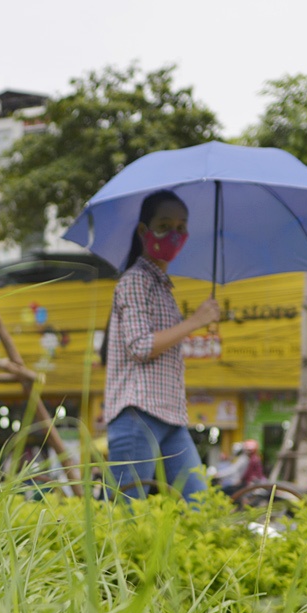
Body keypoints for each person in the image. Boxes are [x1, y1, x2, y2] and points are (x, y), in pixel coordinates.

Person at [102, 190, 222, 499]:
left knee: (201, 505)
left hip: (170, 415)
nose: (174, 234)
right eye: (165, 225)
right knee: (127, 512)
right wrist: (194, 322)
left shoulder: (164, 289)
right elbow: (141, 346)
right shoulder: (135, 280)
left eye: (181, 227)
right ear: (144, 231)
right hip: (138, 413)